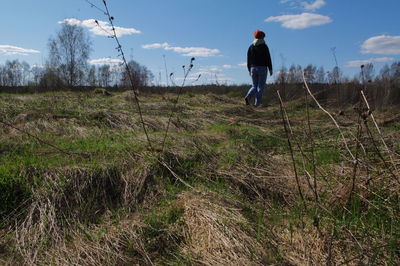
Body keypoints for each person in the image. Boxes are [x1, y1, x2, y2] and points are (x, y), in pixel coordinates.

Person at [245, 30, 273, 107]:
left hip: (253, 68)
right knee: (260, 86)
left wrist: (249, 69)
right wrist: (270, 68)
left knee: (254, 86)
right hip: (262, 68)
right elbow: (268, 58)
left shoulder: (251, 47)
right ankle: (257, 104)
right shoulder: (264, 46)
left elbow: (248, 59)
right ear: (262, 37)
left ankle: (248, 97)